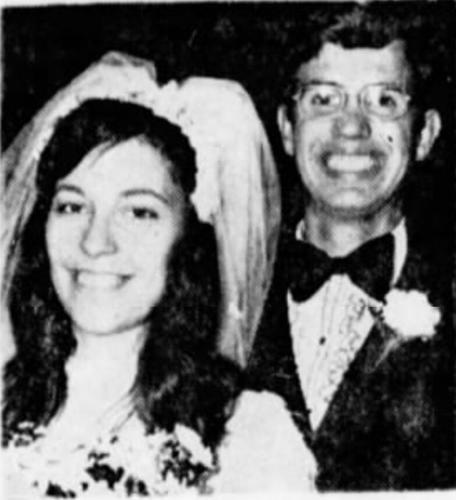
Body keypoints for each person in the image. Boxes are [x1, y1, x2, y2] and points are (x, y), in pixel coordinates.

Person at [1, 55, 315, 497]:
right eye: (72, 205)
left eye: (138, 212)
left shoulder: (249, 436)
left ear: (186, 241)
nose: (96, 242)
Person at [247, 2, 454, 491]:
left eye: (384, 101)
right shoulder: (220, 296)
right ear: (285, 130)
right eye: (324, 99)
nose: (352, 127)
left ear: (424, 134)